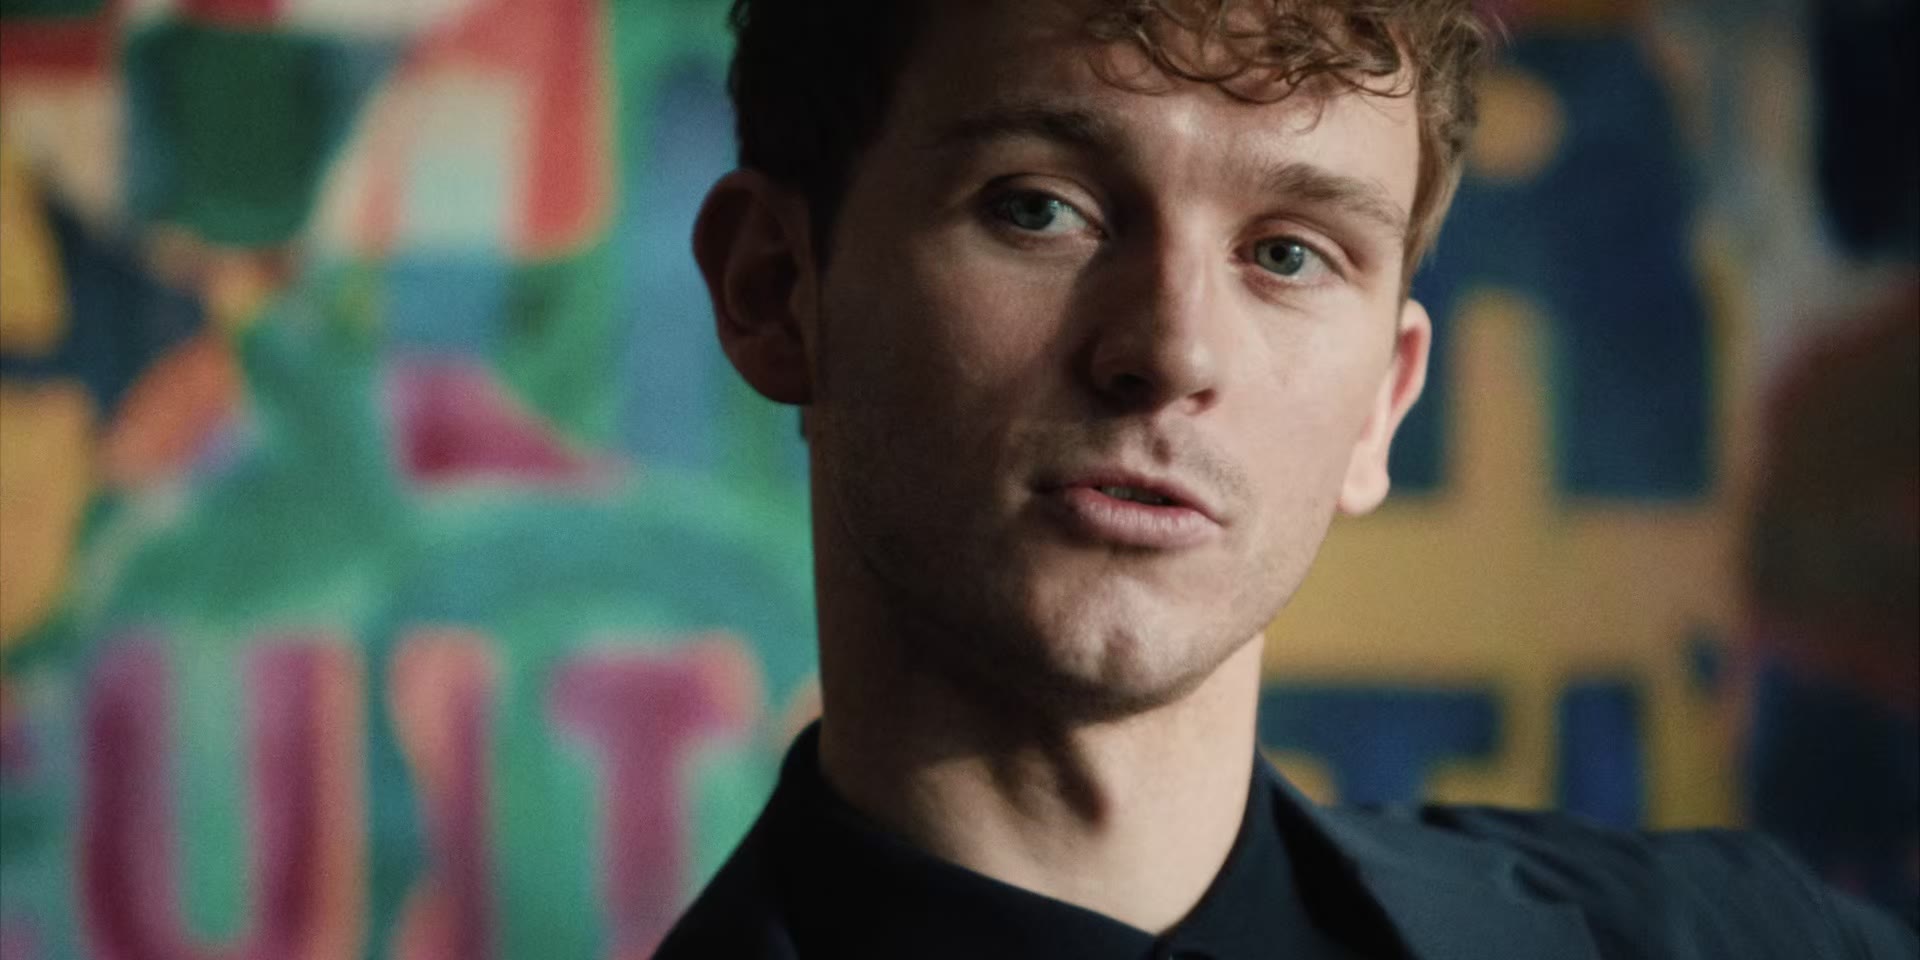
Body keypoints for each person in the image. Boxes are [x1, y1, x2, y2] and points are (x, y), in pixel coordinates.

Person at [659, 0, 1920, 956]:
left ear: (1383, 406)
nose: (1173, 350)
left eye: (1288, 254)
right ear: (775, 289)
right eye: (1039, 208)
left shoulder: (1731, 938)